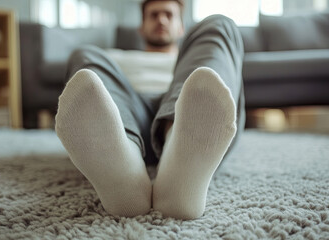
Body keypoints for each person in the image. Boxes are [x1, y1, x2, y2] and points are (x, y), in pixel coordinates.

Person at [55, 0, 245, 220]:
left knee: (221, 24)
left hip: (186, 110)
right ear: (141, 27)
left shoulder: (195, 56)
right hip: (129, 114)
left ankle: (179, 156)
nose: (161, 20)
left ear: (182, 27)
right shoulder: (118, 58)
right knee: (84, 54)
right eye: (153, 15)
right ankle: (125, 171)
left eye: (169, 15)